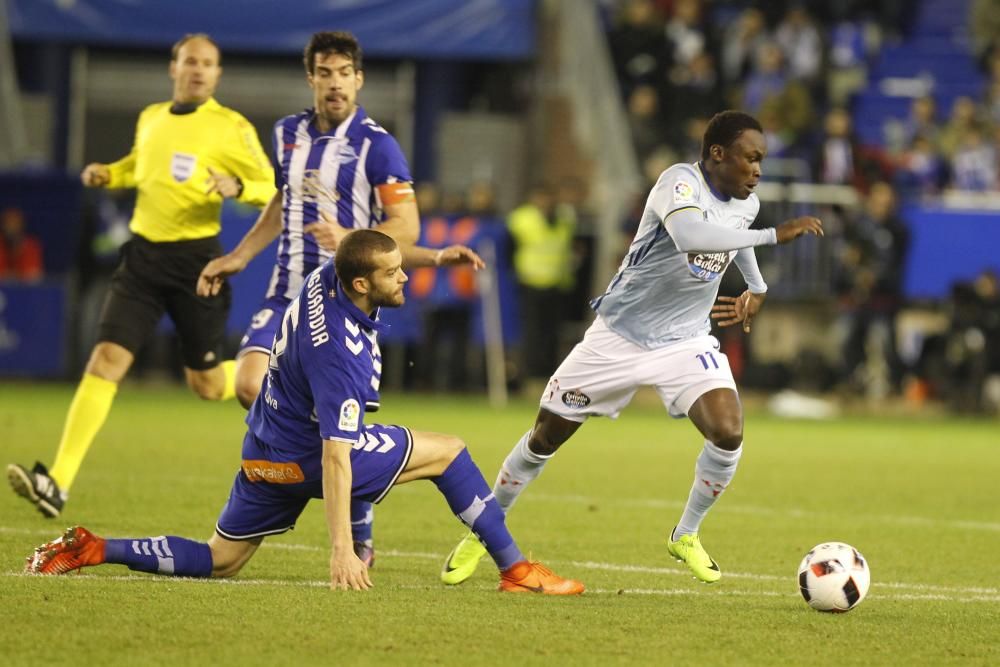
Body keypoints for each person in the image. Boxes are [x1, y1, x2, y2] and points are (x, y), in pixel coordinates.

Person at [24, 230, 584, 596]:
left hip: (263, 452)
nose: (404, 277)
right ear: (363, 284)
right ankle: (515, 569)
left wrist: (432, 254)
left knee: (221, 560)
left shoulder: (323, 277)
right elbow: (338, 457)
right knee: (450, 452)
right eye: (394, 273)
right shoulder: (341, 356)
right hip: (310, 455)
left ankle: (95, 548)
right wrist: (342, 546)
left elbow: (357, 246)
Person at [439, 111, 823, 586]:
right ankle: (485, 532)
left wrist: (757, 285)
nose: (758, 170)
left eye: (762, 160)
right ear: (719, 154)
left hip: (685, 339)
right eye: (752, 158)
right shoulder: (678, 184)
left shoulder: (746, 202)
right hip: (617, 336)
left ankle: (686, 534)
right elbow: (691, 236)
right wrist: (773, 235)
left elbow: (735, 236)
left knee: (728, 430)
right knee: (544, 438)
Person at [6, 33, 275, 519]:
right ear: (173, 68)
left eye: (208, 64)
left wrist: (238, 185)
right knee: (105, 359)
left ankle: (275, 373)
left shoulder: (230, 127)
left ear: (217, 75)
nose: (198, 70)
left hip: (199, 265)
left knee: (209, 385)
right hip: (143, 260)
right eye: (190, 61)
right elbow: (141, 166)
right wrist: (111, 173)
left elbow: (270, 187)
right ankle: (57, 482)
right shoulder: (151, 117)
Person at [196, 31, 420, 566]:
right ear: (312, 78)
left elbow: (406, 226)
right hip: (285, 295)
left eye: (345, 72)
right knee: (249, 385)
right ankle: (294, 480)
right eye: (325, 72)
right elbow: (283, 199)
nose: (335, 82)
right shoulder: (287, 133)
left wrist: (349, 238)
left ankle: (354, 522)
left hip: (341, 302)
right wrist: (240, 256)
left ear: (359, 79)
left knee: (337, 422)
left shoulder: (377, 144)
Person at [0, 207, 44, 282]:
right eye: (8, 224)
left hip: (25, 292)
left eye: (14, 224)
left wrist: (13, 276)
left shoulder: (31, 247)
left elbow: (34, 276)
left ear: (21, 226)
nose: (11, 228)